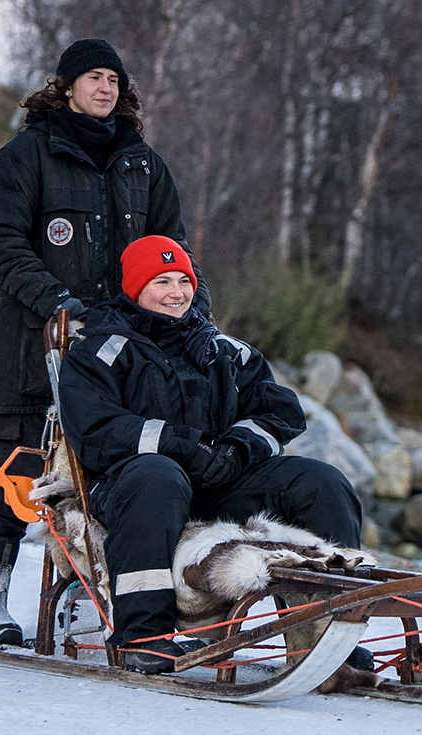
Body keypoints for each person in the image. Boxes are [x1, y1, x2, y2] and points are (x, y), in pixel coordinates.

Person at [0, 38, 206, 647]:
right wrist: (56, 300)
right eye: (93, 77)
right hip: (34, 347)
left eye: (114, 80)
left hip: (125, 359)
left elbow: (172, 252)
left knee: (112, 480)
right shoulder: (24, 158)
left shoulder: (142, 166)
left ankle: (85, 600)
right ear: (66, 85)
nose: (105, 88)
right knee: (19, 474)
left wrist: (192, 310)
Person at [58, 235, 363, 673]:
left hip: (218, 485)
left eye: (183, 281)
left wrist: (237, 449)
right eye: (162, 281)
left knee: (321, 482)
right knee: (158, 476)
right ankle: (144, 635)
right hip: (135, 490)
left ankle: (330, 634)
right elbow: (96, 429)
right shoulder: (99, 351)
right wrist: (185, 446)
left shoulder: (221, 348)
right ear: (135, 288)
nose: (177, 292)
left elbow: (281, 411)